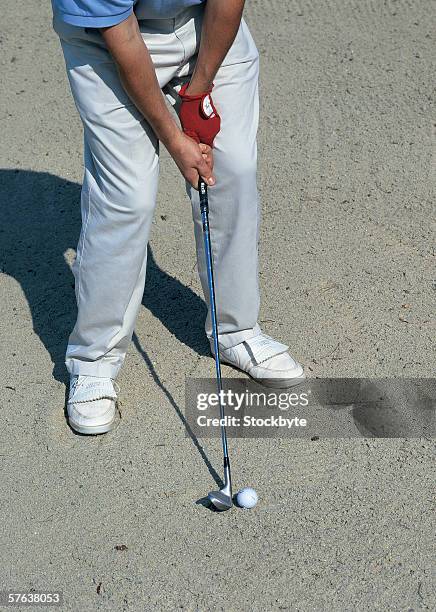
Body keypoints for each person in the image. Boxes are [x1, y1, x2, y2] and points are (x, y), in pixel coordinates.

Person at [51, 0, 305, 435]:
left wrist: (199, 89)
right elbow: (121, 35)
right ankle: (94, 359)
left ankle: (235, 330)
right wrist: (175, 137)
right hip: (108, 42)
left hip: (205, 24)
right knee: (126, 197)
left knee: (233, 168)